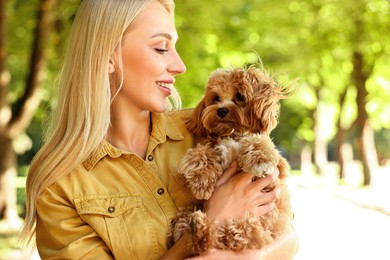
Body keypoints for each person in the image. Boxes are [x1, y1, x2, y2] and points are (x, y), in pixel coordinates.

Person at [18, 0, 299, 259]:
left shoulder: (208, 127)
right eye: (161, 48)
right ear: (107, 56)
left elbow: (288, 233)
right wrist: (214, 221)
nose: (180, 66)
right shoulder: (59, 185)